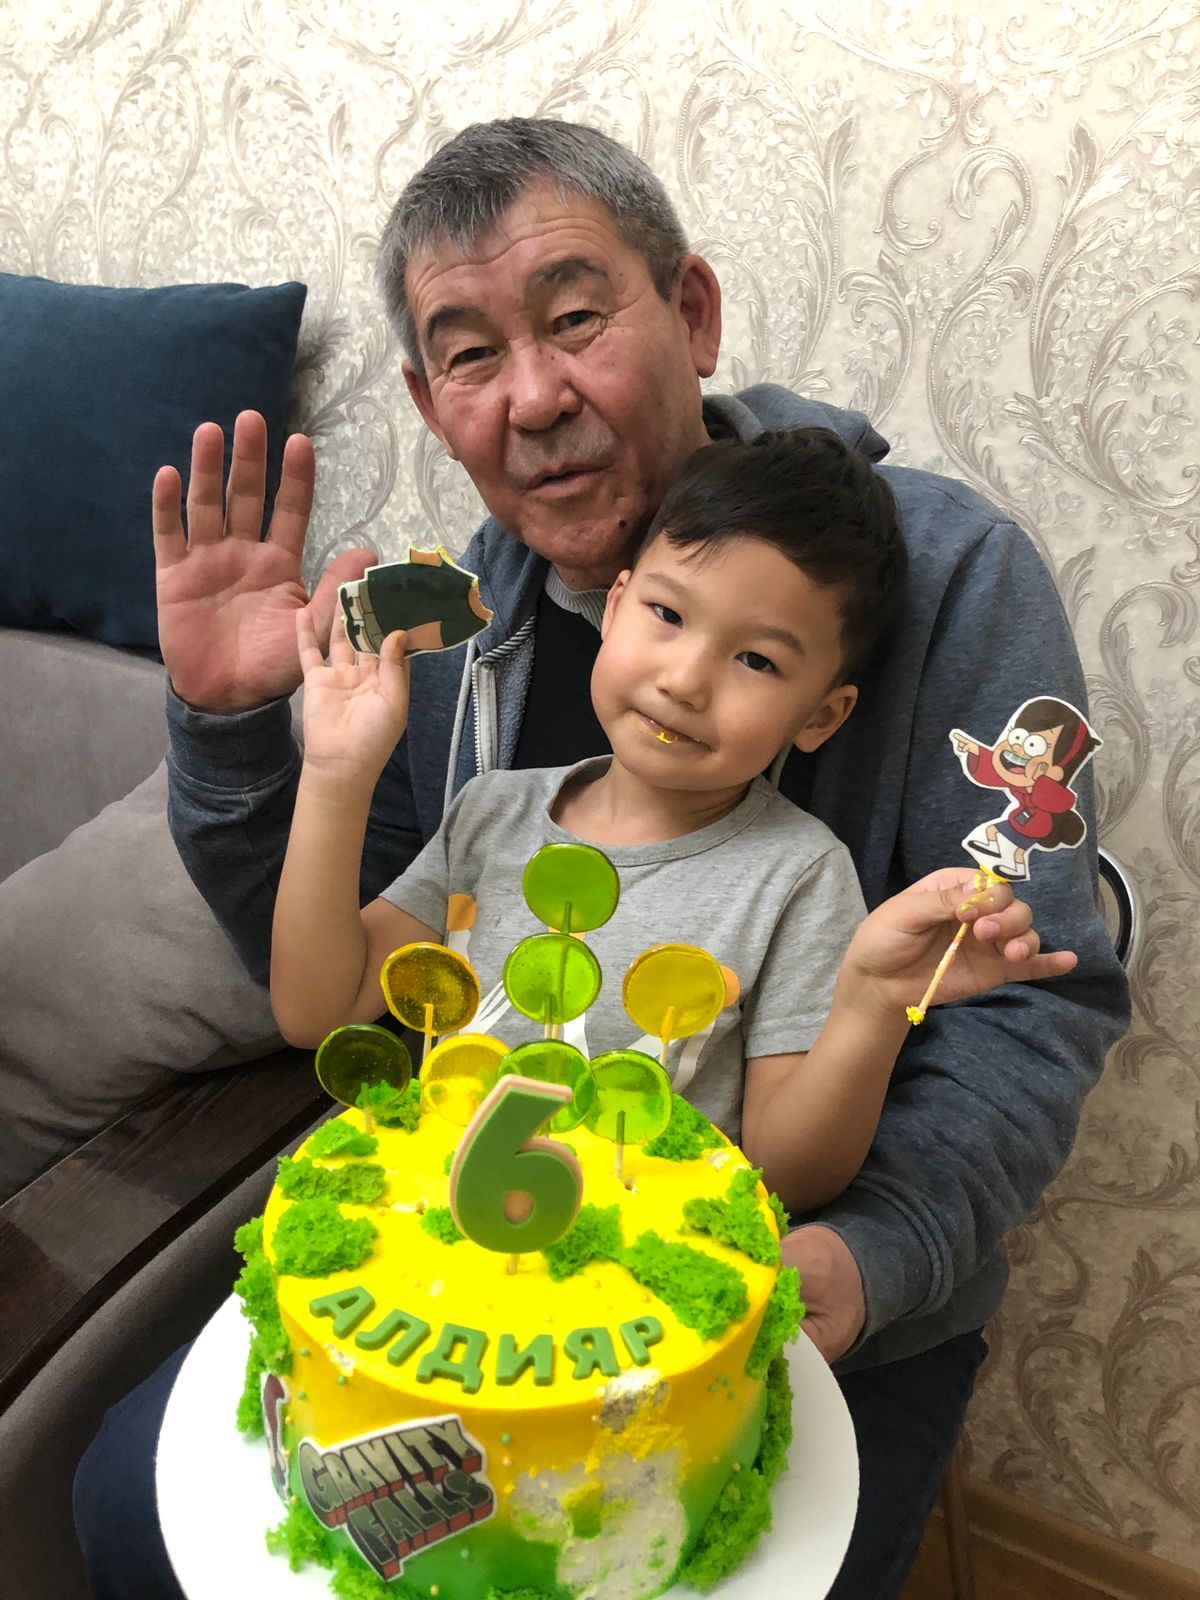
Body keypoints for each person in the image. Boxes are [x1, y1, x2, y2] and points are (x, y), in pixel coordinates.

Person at [74, 118, 1129, 1599]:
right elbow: (334, 972)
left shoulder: (944, 579)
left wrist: (879, 1251)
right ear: (429, 403)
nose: (534, 398)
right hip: (486, 1286)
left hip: (806, 1284)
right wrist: (244, 731)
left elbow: (1031, 994)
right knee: (131, 1503)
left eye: (574, 319)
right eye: (470, 354)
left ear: (689, 313)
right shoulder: (446, 621)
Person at [274, 429, 1076, 1218]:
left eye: (757, 660)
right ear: (615, 604)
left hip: (634, 1282)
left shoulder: (798, 875)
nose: (686, 680)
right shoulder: (489, 814)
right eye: (666, 613)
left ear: (821, 716)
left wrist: (873, 1005)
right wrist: (335, 777)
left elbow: (787, 1175)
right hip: (439, 1261)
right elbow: (318, 1009)